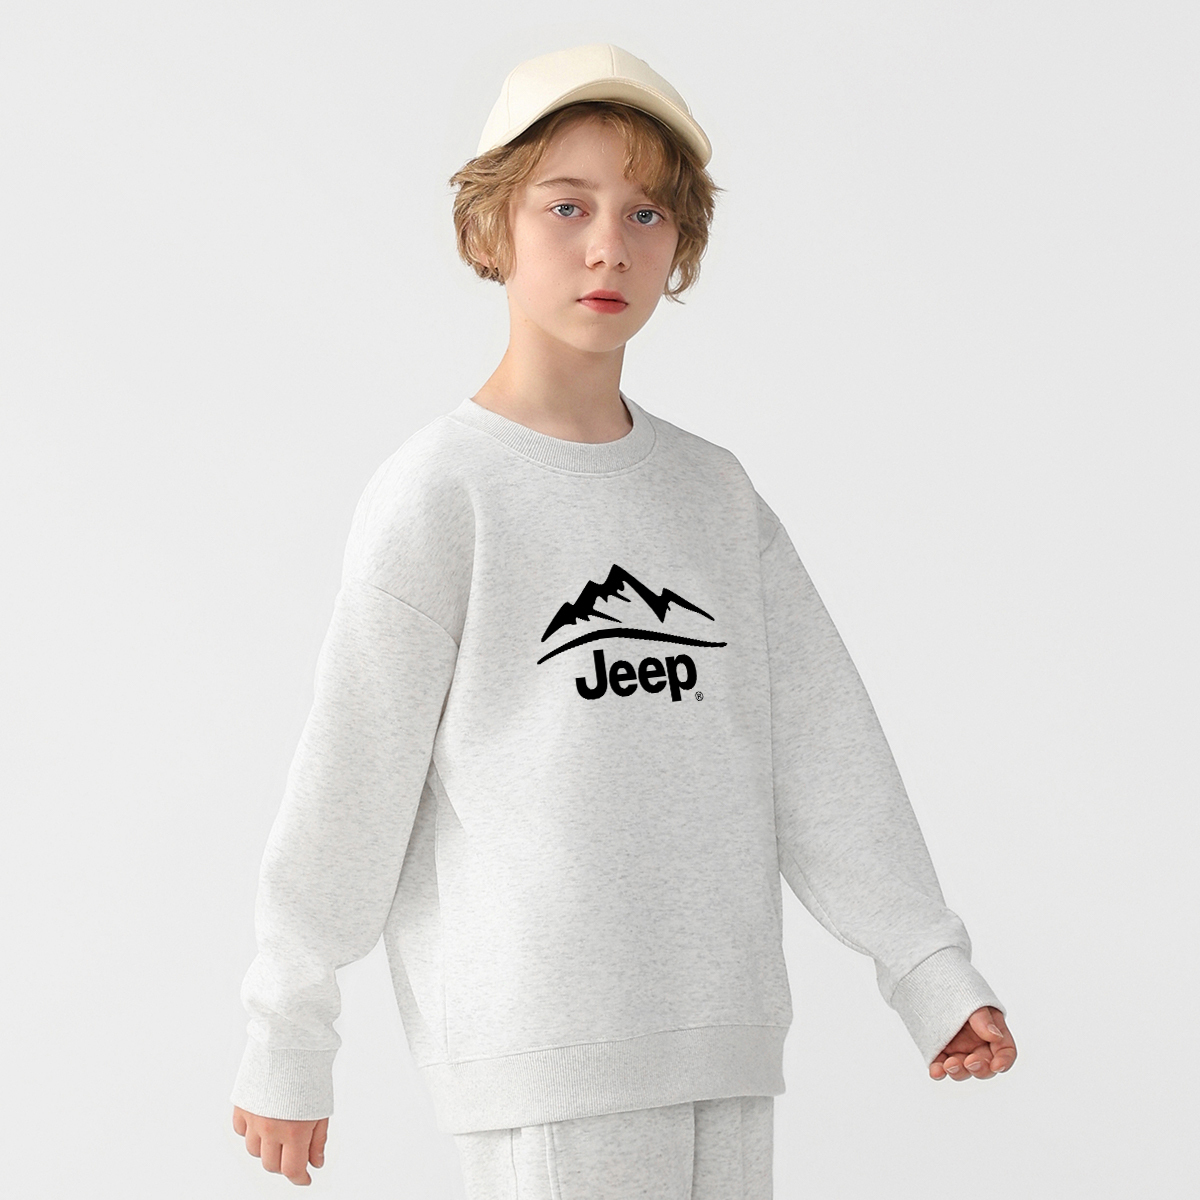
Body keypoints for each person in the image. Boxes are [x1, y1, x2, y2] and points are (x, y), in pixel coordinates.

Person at [230, 42, 1018, 1195]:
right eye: (567, 206)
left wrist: (928, 969)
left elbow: (824, 748)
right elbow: (352, 781)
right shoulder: (442, 494)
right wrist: (287, 1032)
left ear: (679, 245)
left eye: (647, 213)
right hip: (547, 1058)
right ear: (490, 229)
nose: (609, 245)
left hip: (723, 1038)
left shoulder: (714, 495)